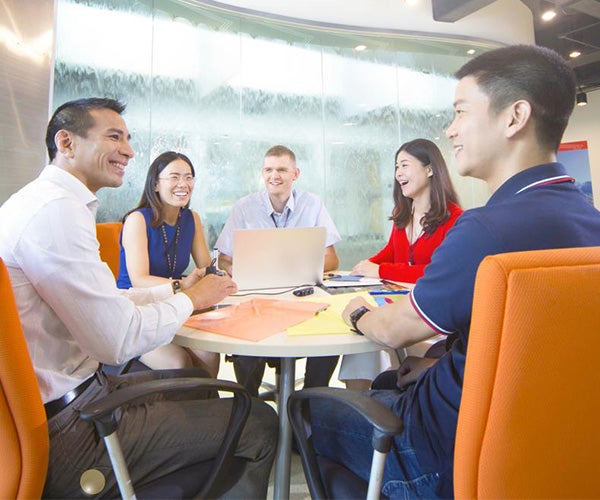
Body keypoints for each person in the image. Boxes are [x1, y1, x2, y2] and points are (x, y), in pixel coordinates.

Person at [310, 44, 600, 498]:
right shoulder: (590, 222)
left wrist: (358, 313)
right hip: (533, 451)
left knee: (301, 411)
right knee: (390, 380)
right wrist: (440, 364)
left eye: (461, 112)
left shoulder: (483, 229)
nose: (451, 130)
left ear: (514, 117)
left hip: (435, 455)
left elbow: (394, 330)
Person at [0, 97, 277, 498]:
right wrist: (190, 299)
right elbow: (116, 340)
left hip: (75, 398)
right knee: (257, 419)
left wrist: (180, 290)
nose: (129, 150)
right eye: (114, 137)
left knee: (197, 383)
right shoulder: (57, 212)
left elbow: (110, 300)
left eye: (128, 139)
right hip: (72, 429)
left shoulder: (40, 203)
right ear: (67, 142)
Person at [215, 144, 341, 396]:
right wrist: (250, 269)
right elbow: (223, 260)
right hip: (256, 299)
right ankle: (250, 409)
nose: (275, 176)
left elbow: (332, 259)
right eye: (269, 169)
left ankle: (309, 404)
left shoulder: (313, 205)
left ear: (296, 174)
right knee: (245, 345)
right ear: (262, 173)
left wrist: (294, 270)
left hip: (302, 297)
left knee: (332, 337)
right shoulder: (244, 207)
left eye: (282, 169)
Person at [340, 139, 463, 390]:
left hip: (428, 317)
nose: (398, 174)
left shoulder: (454, 218)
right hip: (396, 303)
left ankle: (377, 403)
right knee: (363, 336)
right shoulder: (402, 214)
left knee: (372, 335)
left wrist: (381, 270)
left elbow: (434, 274)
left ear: (429, 169)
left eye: (404, 165)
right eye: (396, 167)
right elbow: (391, 252)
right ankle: (359, 403)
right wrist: (367, 265)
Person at [117, 151, 219, 376]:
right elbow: (139, 280)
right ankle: (183, 408)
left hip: (174, 305)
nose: (183, 184)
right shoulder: (137, 219)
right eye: (174, 177)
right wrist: (183, 285)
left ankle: (210, 408)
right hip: (136, 309)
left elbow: (205, 267)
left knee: (209, 353)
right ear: (155, 184)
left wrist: (219, 273)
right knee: (178, 361)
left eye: (189, 177)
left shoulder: (191, 218)